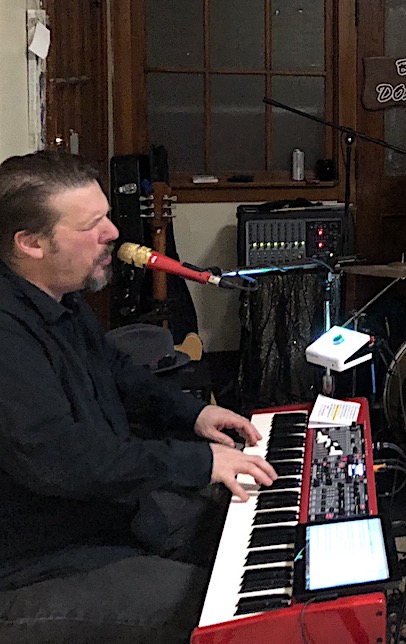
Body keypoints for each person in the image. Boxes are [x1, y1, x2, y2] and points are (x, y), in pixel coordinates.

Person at [0, 150, 278, 642]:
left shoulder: (58, 296)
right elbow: (62, 459)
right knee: (230, 612)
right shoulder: (8, 334)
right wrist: (198, 463)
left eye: (107, 216)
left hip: (102, 515)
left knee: (241, 526)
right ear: (31, 243)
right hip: (36, 564)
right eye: (92, 225)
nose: (112, 232)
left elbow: (118, 374)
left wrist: (194, 414)